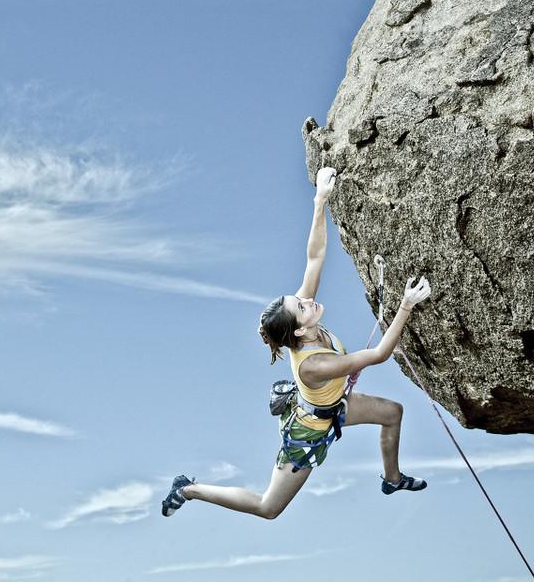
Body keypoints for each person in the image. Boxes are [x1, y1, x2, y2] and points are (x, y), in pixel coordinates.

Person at [161, 166, 433, 519]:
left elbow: (315, 257)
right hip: (307, 431)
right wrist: (406, 306)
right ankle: (188, 488)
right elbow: (379, 353)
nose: (308, 300)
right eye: (301, 306)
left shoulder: (302, 323)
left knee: (392, 413)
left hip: (334, 406)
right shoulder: (314, 365)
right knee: (268, 507)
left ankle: (392, 479)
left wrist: (320, 200)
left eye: (300, 299)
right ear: (300, 332)